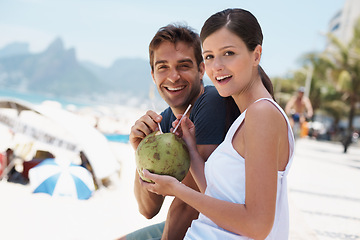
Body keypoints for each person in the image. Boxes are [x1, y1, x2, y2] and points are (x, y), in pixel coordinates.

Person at [141, 8, 295, 239]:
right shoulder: (248, 117)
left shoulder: (262, 113)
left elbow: (257, 225)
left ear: (256, 55)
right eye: (210, 56)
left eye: (229, 53)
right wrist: (192, 149)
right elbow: (218, 197)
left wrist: (177, 189)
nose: (216, 66)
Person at [120, 24, 240, 240]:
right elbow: (148, 209)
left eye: (183, 65)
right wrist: (140, 152)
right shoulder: (165, 120)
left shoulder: (211, 102)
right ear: (153, 74)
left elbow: (189, 204)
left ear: (201, 69)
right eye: (163, 67)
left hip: (216, 227)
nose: (173, 76)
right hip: (194, 222)